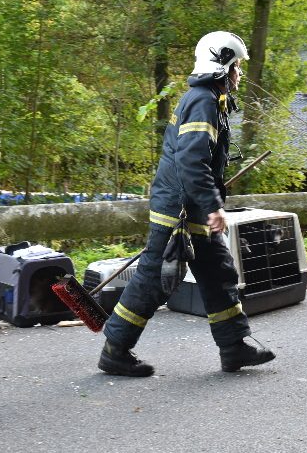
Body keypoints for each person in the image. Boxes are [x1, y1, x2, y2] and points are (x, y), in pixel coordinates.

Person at [97, 31, 276, 376]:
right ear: (224, 65)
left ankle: (234, 347)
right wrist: (213, 206)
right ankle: (114, 350)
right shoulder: (203, 101)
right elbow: (191, 162)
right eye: (237, 66)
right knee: (153, 280)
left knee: (217, 272)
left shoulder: (213, 99)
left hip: (191, 206)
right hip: (178, 209)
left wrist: (208, 203)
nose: (240, 73)